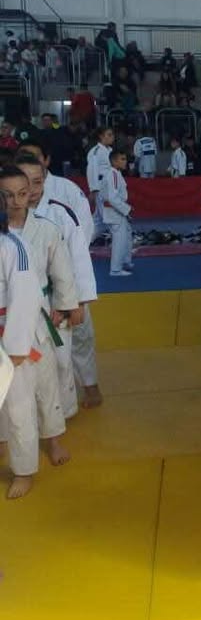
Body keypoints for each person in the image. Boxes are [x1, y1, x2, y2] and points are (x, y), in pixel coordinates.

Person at [0, 167, 76, 498]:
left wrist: (67, 304)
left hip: (29, 326)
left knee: (44, 389)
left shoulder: (39, 233)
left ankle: (42, 450)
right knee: (11, 401)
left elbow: (60, 274)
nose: (15, 201)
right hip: (9, 328)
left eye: (21, 193)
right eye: (7, 195)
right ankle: (10, 446)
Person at [15, 154, 95, 422]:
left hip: (57, 300)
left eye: (38, 182)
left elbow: (79, 260)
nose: (32, 190)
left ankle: (62, 414)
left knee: (60, 359)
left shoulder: (60, 213)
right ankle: (27, 419)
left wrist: (76, 302)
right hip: (16, 305)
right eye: (26, 183)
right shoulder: (8, 218)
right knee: (22, 363)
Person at [101, 150, 133, 277]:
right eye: (122, 159)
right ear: (114, 161)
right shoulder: (112, 174)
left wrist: (126, 210)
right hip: (114, 212)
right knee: (119, 240)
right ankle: (115, 269)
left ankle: (125, 260)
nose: (125, 162)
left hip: (117, 210)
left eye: (125, 159)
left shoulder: (116, 173)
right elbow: (113, 198)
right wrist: (127, 209)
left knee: (126, 236)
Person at [86, 126, 114, 237]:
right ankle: (117, 236)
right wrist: (93, 189)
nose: (112, 137)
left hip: (110, 185)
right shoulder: (95, 152)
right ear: (101, 136)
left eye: (112, 135)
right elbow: (92, 171)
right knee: (107, 214)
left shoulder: (110, 151)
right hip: (101, 186)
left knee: (98, 217)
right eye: (109, 135)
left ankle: (88, 238)